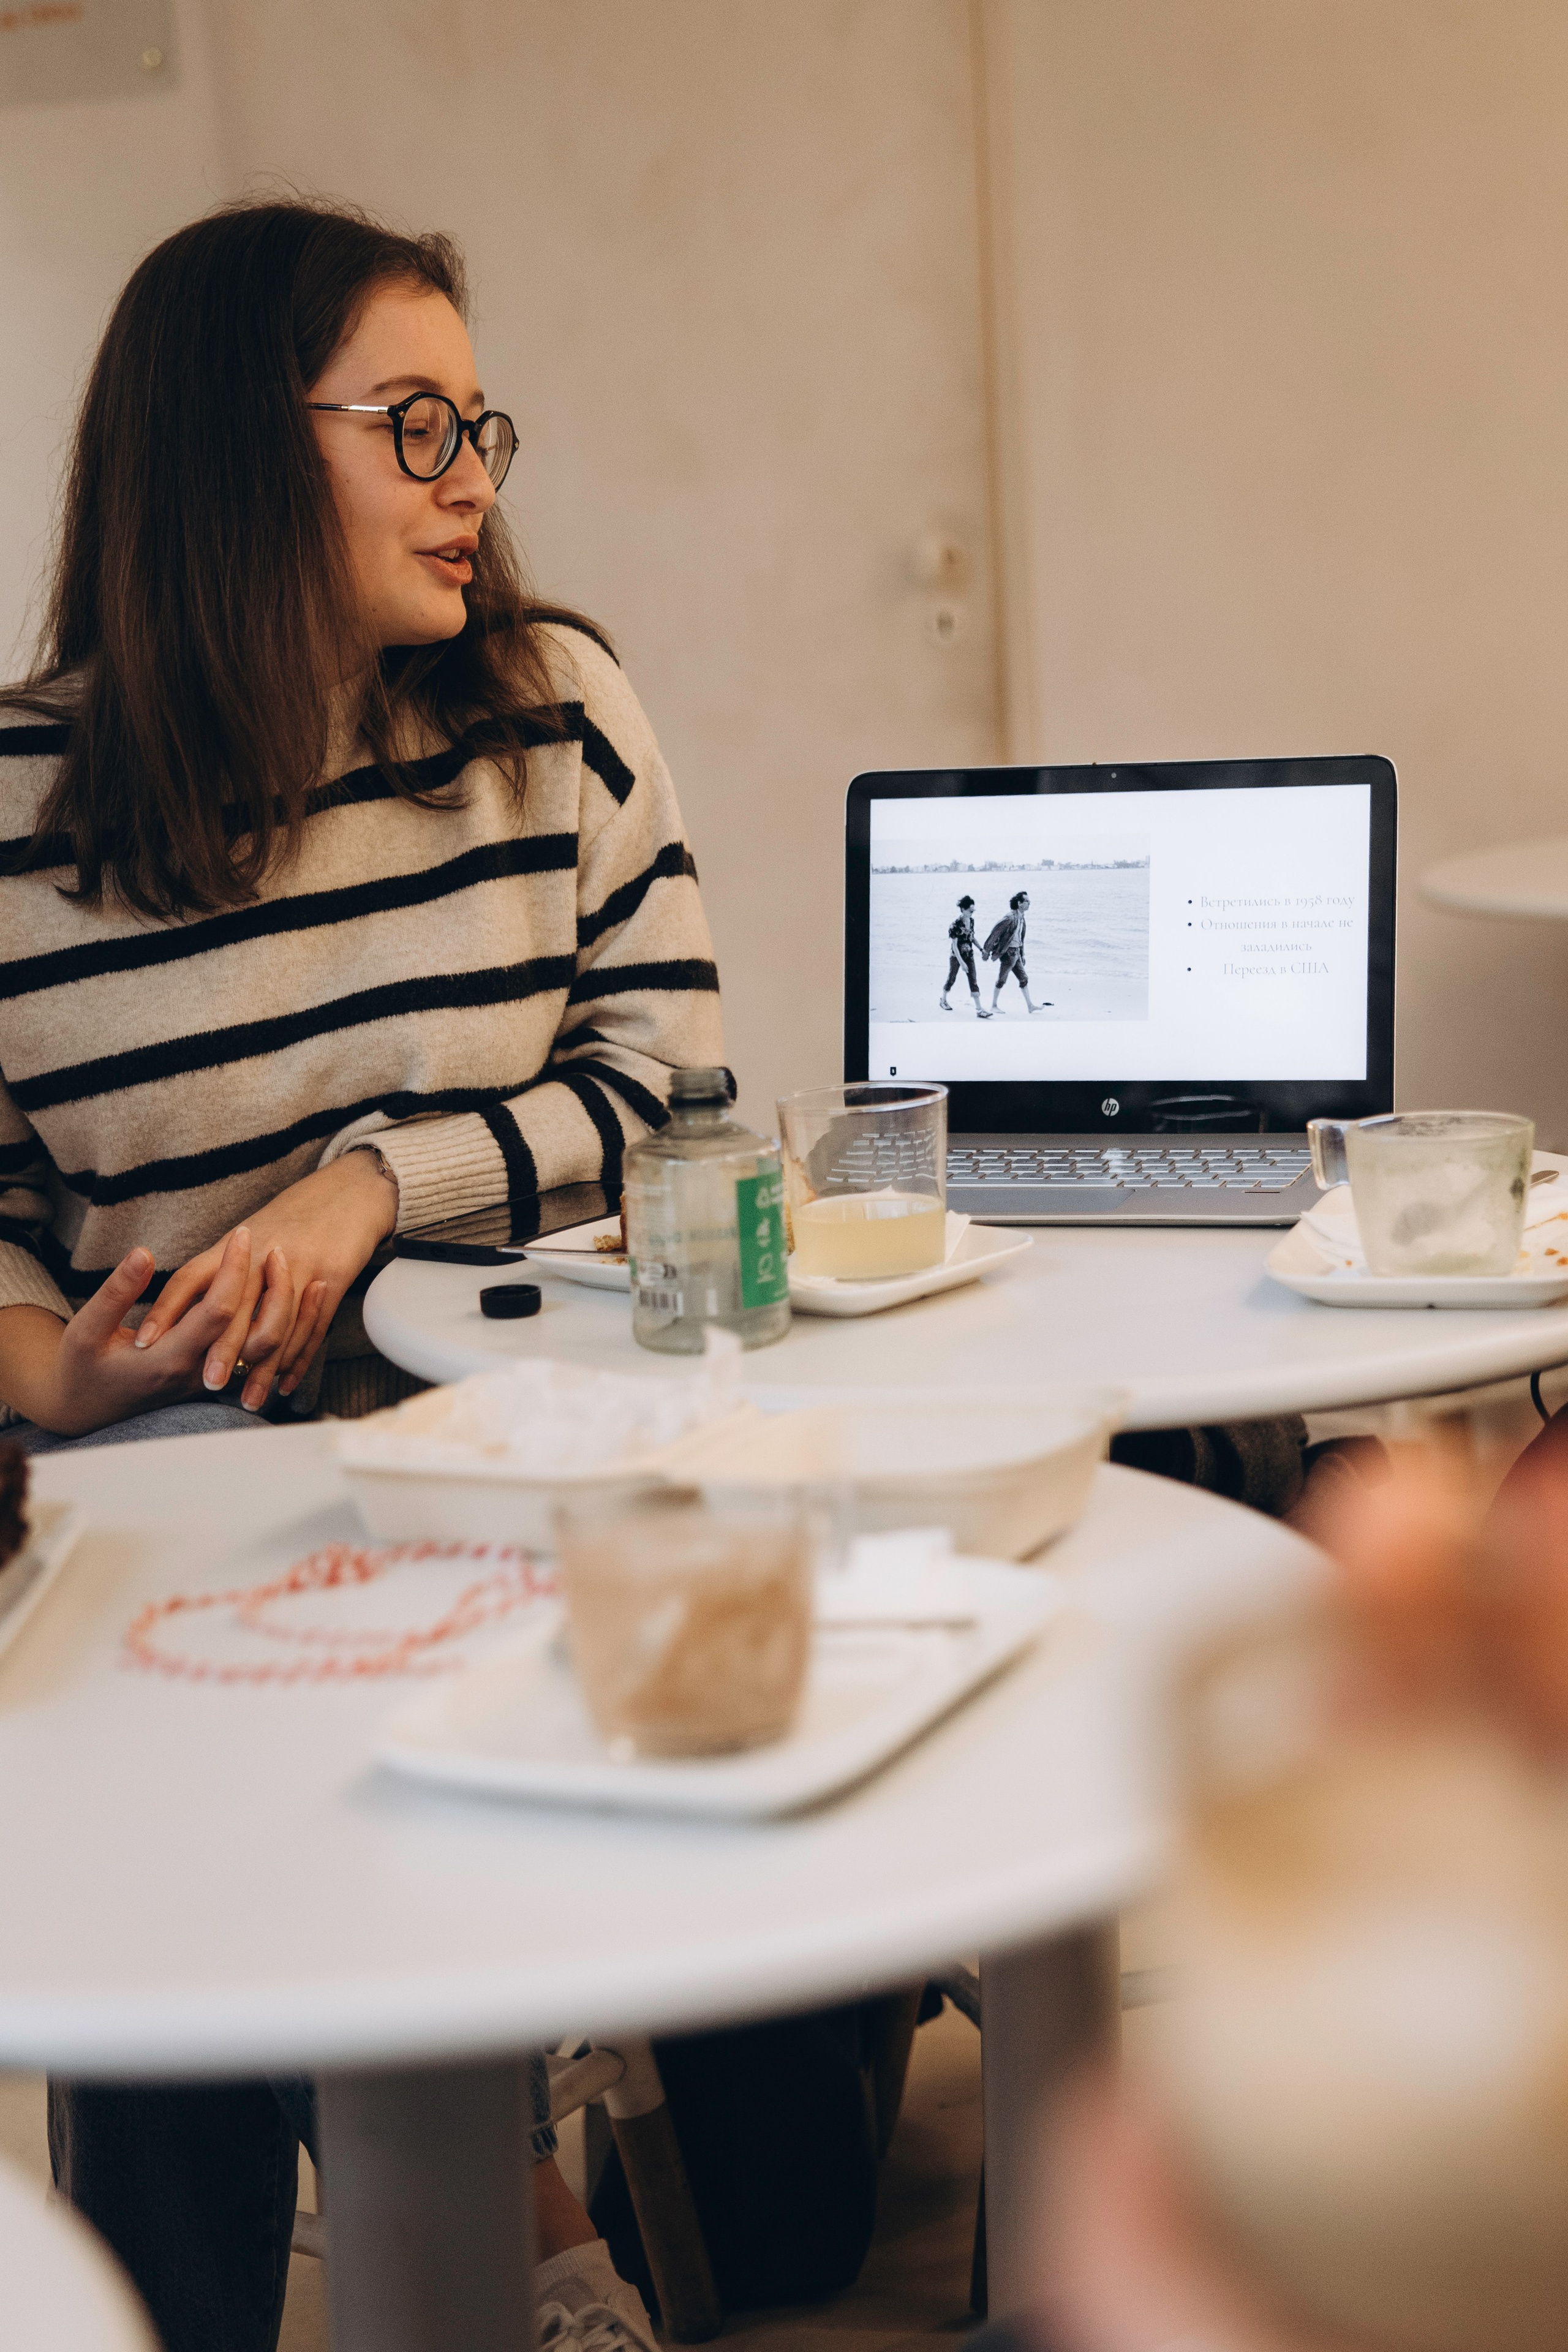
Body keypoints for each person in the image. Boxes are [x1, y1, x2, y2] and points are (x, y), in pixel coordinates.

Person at [0, 195, 720, 2351]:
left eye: (475, 420)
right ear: (232, 447)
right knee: (171, 1949)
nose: (474, 475)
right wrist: (52, 1377)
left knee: (366, 1815)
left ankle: (495, 2222)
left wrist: (368, 1190)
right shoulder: (18, 805)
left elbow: (671, 1100)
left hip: (487, 1476)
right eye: (412, 426)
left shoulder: (551, 712)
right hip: (153, 1523)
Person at [981, 889, 1050, 1015]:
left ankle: (1030, 1006)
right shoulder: (1010, 918)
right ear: (1019, 903)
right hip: (1008, 954)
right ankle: (994, 1006)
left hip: (1016, 953)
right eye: (1027, 901)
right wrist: (986, 951)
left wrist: (1022, 954)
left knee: (1024, 979)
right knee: (1002, 980)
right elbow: (995, 932)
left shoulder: (1022, 919)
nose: (1030, 903)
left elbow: (1020, 938)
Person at [940, 893, 989, 1014]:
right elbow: (954, 946)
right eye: (970, 910)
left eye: (973, 910)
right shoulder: (955, 925)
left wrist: (981, 949)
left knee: (973, 980)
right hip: (956, 957)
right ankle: (943, 1000)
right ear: (963, 909)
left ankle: (979, 1010)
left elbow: (972, 938)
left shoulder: (971, 921)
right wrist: (961, 963)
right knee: (952, 978)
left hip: (969, 955)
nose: (972, 912)